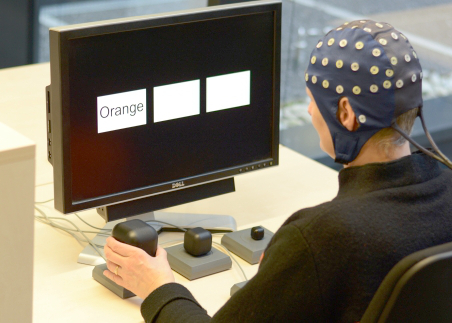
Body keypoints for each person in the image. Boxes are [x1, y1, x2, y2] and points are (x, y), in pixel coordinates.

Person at [103, 20, 452, 322]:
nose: (311, 109)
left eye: (313, 97)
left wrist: (158, 287)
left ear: (345, 113)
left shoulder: (322, 238)